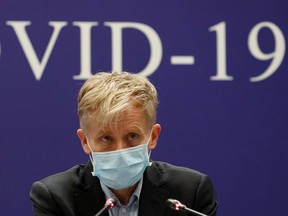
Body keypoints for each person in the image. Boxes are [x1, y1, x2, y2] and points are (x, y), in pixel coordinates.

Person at [30, 71, 217, 216]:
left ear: (153, 136)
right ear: (85, 141)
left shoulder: (191, 193)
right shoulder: (54, 198)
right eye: (106, 138)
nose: (120, 150)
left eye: (132, 136)